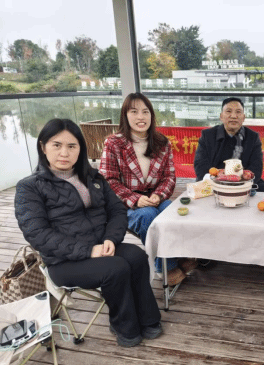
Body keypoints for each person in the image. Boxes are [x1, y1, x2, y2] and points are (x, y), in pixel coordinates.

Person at [15, 118, 161, 348]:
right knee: (116, 268)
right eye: (57, 145)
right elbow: (37, 234)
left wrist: (111, 238)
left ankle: (148, 319)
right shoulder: (30, 187)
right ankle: (125, 327)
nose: (64, 153)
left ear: (80, 149)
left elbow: (117, 210)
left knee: (136, 256)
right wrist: (88, 250)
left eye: (72, 146)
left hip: (102, 245)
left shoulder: (93, 176)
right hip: (64, 262)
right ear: (43, 147)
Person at [99, 93, 196, 286]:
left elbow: (169, 177)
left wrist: (159, 195)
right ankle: (165, 267)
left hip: (154, 198)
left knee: (172, 209)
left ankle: (176, 256)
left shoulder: (162, 142)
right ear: (125, 115)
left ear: (151, 115)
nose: (140, 117)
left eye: (145, 112)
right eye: (134, 112)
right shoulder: (114, 143)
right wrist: (134, 199)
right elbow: (107, 180)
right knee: (147, 215)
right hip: (123, 205)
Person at [194, 97, 264, 192]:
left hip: (243, 183)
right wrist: (218, 180)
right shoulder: (208, 135)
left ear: (243, 117)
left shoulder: (253, 137)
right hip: (215, 182)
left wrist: (240, 182)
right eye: (228, 111)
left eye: (238, 112)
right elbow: (200, 165)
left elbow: (256, 166)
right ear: (221, 116)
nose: (233, 116)